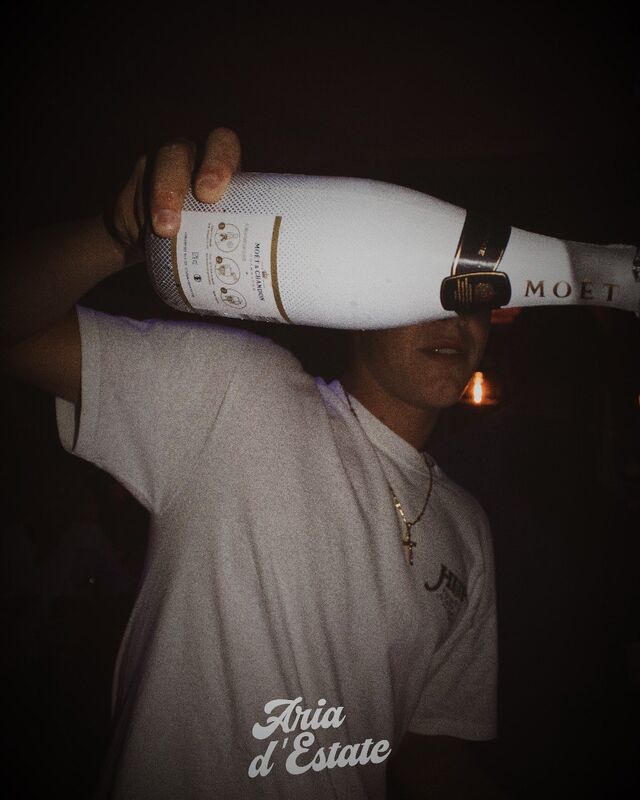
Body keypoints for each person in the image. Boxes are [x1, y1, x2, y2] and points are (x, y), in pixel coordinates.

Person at [2, 128, 503, 799]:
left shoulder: (468, 528)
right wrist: (120, 236)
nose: (455, 311)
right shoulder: (238, 390)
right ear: (359, 295)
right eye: (425, 281)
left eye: (475, 288)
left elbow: (428, 752)